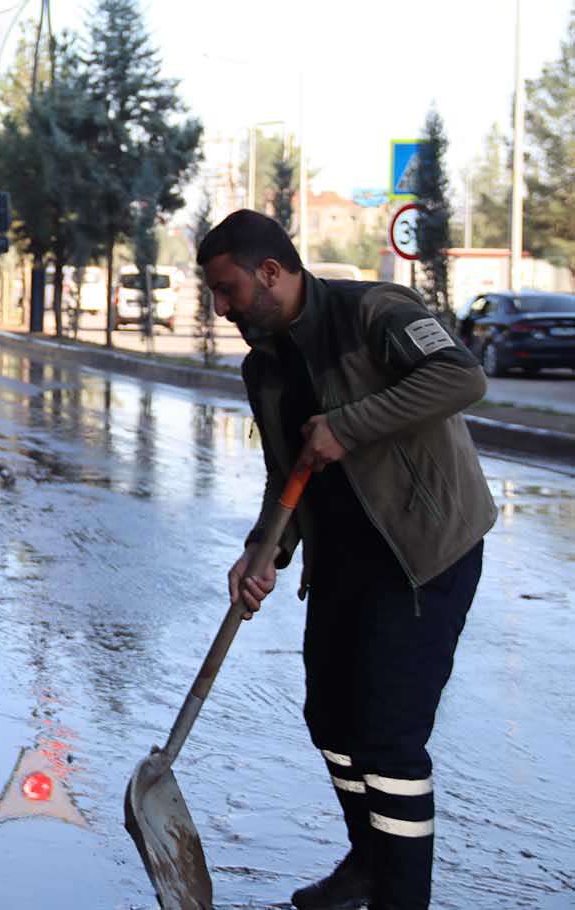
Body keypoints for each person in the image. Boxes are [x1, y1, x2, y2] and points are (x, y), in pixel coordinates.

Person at [197, 210, 495, 910]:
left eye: (227, 288)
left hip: (420, 553)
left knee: (387, 741)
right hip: (342, 561)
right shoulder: (262, 364)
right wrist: (262, 549)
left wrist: (350, 426)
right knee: (331, 721)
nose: (220, 306)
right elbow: (288, 471)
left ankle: (399, 897)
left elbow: (460, 378)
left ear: (271, 271)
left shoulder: (373, 312)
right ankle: (368, 861)